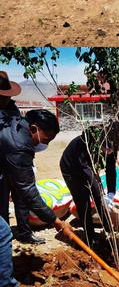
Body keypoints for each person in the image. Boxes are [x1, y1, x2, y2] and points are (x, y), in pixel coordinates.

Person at [0, 108, 70, 245]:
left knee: (20, 197)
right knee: (3, 226)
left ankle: (23, 233)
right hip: (3, 172)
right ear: (33, 129)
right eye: (46, 139)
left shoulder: (19, 127)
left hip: (7, 166)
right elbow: (29, 191)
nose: (45, 144)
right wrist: (56, 221)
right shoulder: (18, 145)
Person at [60, 125, 116, 249]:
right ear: (99, 143)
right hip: (71, 169)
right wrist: (97, 192)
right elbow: (84, 169)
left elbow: (111, 169)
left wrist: (111, 193)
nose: (108, 153)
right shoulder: (84, 143)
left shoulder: (111, 143)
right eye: (106, 150)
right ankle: (90, 237)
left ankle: (109, 230)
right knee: (83, 202)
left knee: (99, 198)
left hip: (87, 168)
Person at [0, 72, 39, 245]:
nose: (5, 99)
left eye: (6, 96)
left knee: (21, 197)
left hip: (15, 162)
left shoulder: (13, 109)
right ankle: (4, 235)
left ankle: (24, 232)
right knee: (1, 201)